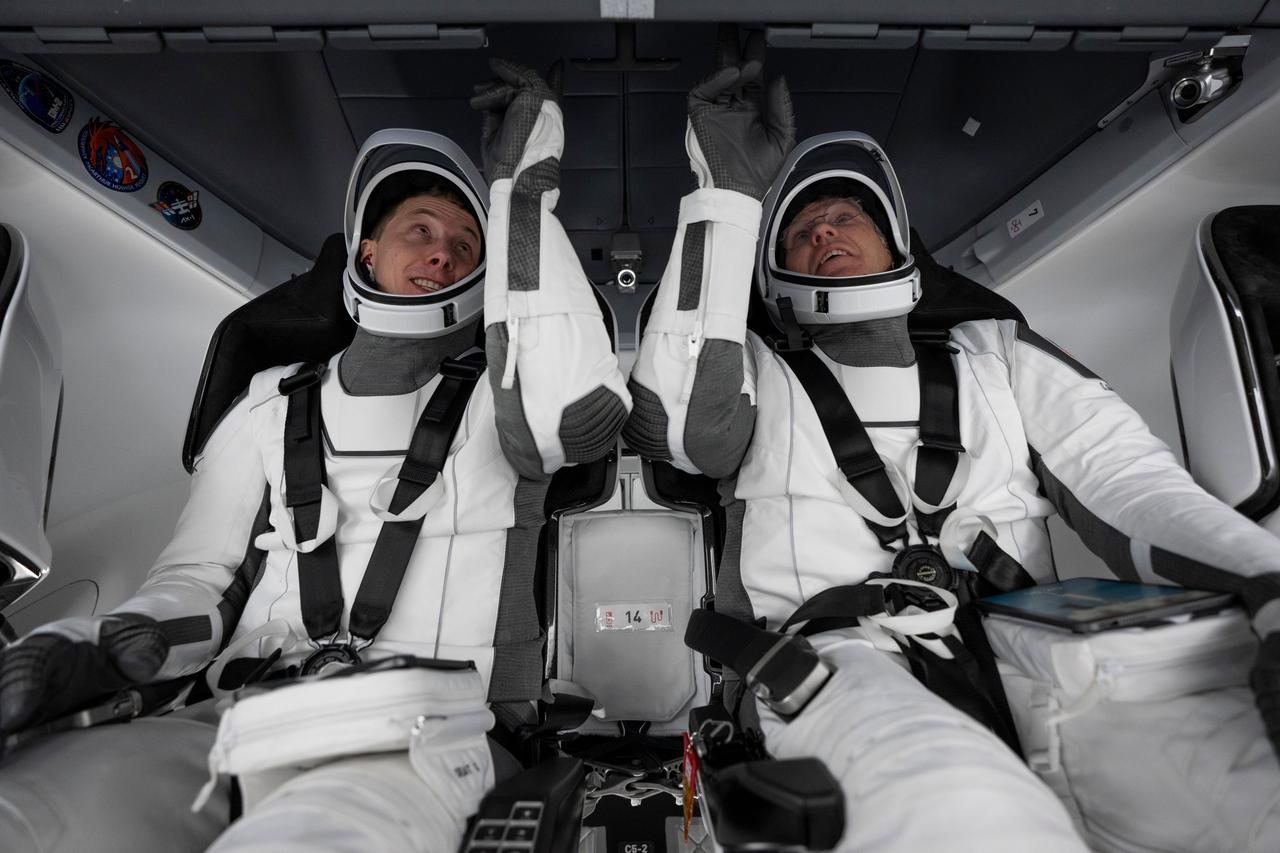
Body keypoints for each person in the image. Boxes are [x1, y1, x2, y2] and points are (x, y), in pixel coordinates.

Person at [626, 37, 1280, 853]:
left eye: (846, 214)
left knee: (1241, 795)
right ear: (777, 275)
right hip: (840, 658)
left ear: (898, 241)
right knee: (955, 811)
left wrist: (1265, 582)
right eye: (799, 232)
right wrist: (728, 199)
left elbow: (1127, 483)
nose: (825, 231)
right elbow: (677, 423)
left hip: (1041, 637)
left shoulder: (999, 353)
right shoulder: (757, 371)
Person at [0, 61, 628, 852]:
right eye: (421, 232)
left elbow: (579, 411)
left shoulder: (507, 398)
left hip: (421, 734)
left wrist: (520, 195)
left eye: (465, 245)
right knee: (36, 813)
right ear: (368, 252)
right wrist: (108, 646)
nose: (441, 253)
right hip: (232, 719)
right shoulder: (269, 398)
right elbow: (198, 582)